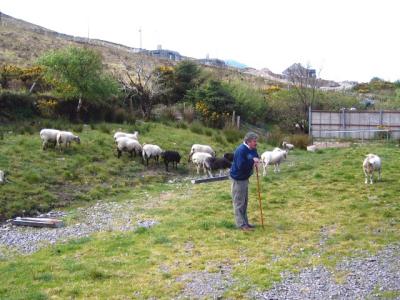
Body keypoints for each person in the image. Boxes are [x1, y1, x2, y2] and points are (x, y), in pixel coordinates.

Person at [229, 132, 260, 231]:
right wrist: (252, 161)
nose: (256, 143)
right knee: (239, 202)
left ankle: (245, 223)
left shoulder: (252, 149)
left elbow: (255, 156)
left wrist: (256, 160)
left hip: (245, 178)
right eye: (254, 141)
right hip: (238, 179)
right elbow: (240, 166)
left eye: (256, 141)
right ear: (248, 141)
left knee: (245, 202)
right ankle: (241, 225)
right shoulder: (241, 150)